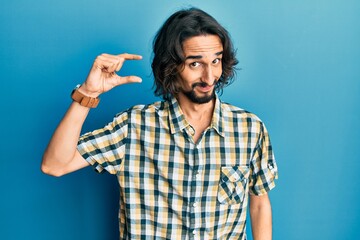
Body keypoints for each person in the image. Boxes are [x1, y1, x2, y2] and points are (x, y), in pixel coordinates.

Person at [42, 7, 278, 240]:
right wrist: (88, 93)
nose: (209, 77)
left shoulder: (249, 128)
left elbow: (258, 203)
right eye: (195, 64)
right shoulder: (133, 127)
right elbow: (55, 165)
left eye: (215, 61)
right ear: (171, 65)